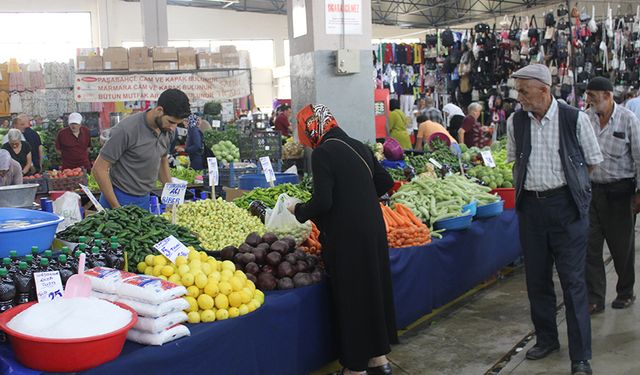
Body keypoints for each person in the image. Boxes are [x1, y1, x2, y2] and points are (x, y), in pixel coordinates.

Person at [507, 64, 603, 375]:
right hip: (531, 211)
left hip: (566, 209)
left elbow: (591, 163)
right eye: (518, 90)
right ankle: (547, 338)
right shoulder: (516, 122)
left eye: (524, 91)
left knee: (573, 283)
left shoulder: (574, 119)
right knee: (536, 280)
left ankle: (581, 356)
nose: (519, 97)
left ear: (544, 90)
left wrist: (568, 191)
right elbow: (514, 163)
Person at [289, 104, 397, 375]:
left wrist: (298, 210)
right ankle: (379, 360)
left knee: (352, 298)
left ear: (312, 128)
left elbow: (323, 202)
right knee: (373, 290)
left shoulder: (324, 152)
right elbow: (385, 182)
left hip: (347, 236)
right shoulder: (359, 146)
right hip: (373, 229)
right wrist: (358, 197)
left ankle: (355, 368)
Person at [584, 77, 640, 314]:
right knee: (590, 246)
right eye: (588, 97)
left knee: (621, 247)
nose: (590, 101)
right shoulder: (586, 118)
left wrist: (639, 194)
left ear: (607, 95)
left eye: (593, 97)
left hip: (621, 193)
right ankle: (595, 298)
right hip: (592, 192)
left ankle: (625, 292)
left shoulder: (628, 119)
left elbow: (639, 157)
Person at [92, 89, 191, 209]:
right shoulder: (127, 129)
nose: (173, 128)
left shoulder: (167, 131)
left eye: (177, 124)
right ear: (159, 110)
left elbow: (162, 160)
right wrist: (117, 208)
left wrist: (172, 196)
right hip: (118, 196)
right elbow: (99, 169)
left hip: (144, 198)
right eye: (171, 122)